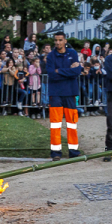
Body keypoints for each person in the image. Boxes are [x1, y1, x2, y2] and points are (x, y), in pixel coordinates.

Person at [45, 32, 83, 160]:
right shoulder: (50, 56)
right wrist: (68, 71)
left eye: (60, 40)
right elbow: (51, 74)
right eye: (56, 40)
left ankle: (73, 150)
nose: (57, 43)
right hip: (55, 93)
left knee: (72, 123)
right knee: (55, 124)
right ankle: (56, 152)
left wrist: (59, 71)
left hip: (70, 92)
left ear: (65, 41)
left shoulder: (72, 53)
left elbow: (77, 71)